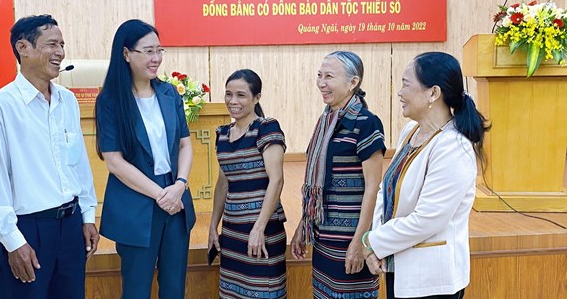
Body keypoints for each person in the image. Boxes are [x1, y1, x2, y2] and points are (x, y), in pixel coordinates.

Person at [0, 15, 99, 299]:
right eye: (52, 44)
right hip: (28, 230)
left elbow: (78, 164)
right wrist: (12, 241)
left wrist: (87, 216)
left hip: (71, 226)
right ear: (23, 47)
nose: (60, 52)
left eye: (62, 45)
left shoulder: (67, 101)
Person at [362, 52, 489, 299]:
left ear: (433, 93)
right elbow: (385, 191)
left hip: (432, 282)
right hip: (399, 267)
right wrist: (376, 245)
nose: (400, 93)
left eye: (406, 84)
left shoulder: (454, 147)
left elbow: (428, 220)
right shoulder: (411, 131)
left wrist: (373, 241)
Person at [95, 19, 196, 299]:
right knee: (136, 290)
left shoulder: (169, 93)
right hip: (137, 204)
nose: (156, 58)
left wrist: (180, 185)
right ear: (126, 54)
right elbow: (114, 162)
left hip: (175, 199)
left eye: (159, 50)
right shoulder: (110, 101)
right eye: (148, 51)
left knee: (174, 288)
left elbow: (185, 145)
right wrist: (162, 195)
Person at [291, 51, 385, 298]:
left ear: (353, 82)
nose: (321, 83)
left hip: (350, 240)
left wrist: (360, 242)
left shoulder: (366, 123)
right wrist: (303, 224)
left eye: (329, 77)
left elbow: (373, 187)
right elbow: (318, 185)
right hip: (324, 240)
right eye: (319, 75)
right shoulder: (325, 121)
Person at [208, 69, 287, 299]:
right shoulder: (222, 134)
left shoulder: (267, 128)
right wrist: (213, 225)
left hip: (262, 227)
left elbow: (277, 179)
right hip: (233, 229)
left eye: (241, 95)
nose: (233, 101)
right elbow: (223, 183)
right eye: (228, 94)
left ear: (256, 97)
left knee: (264, 290)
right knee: (232, 292)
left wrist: (259, 228)